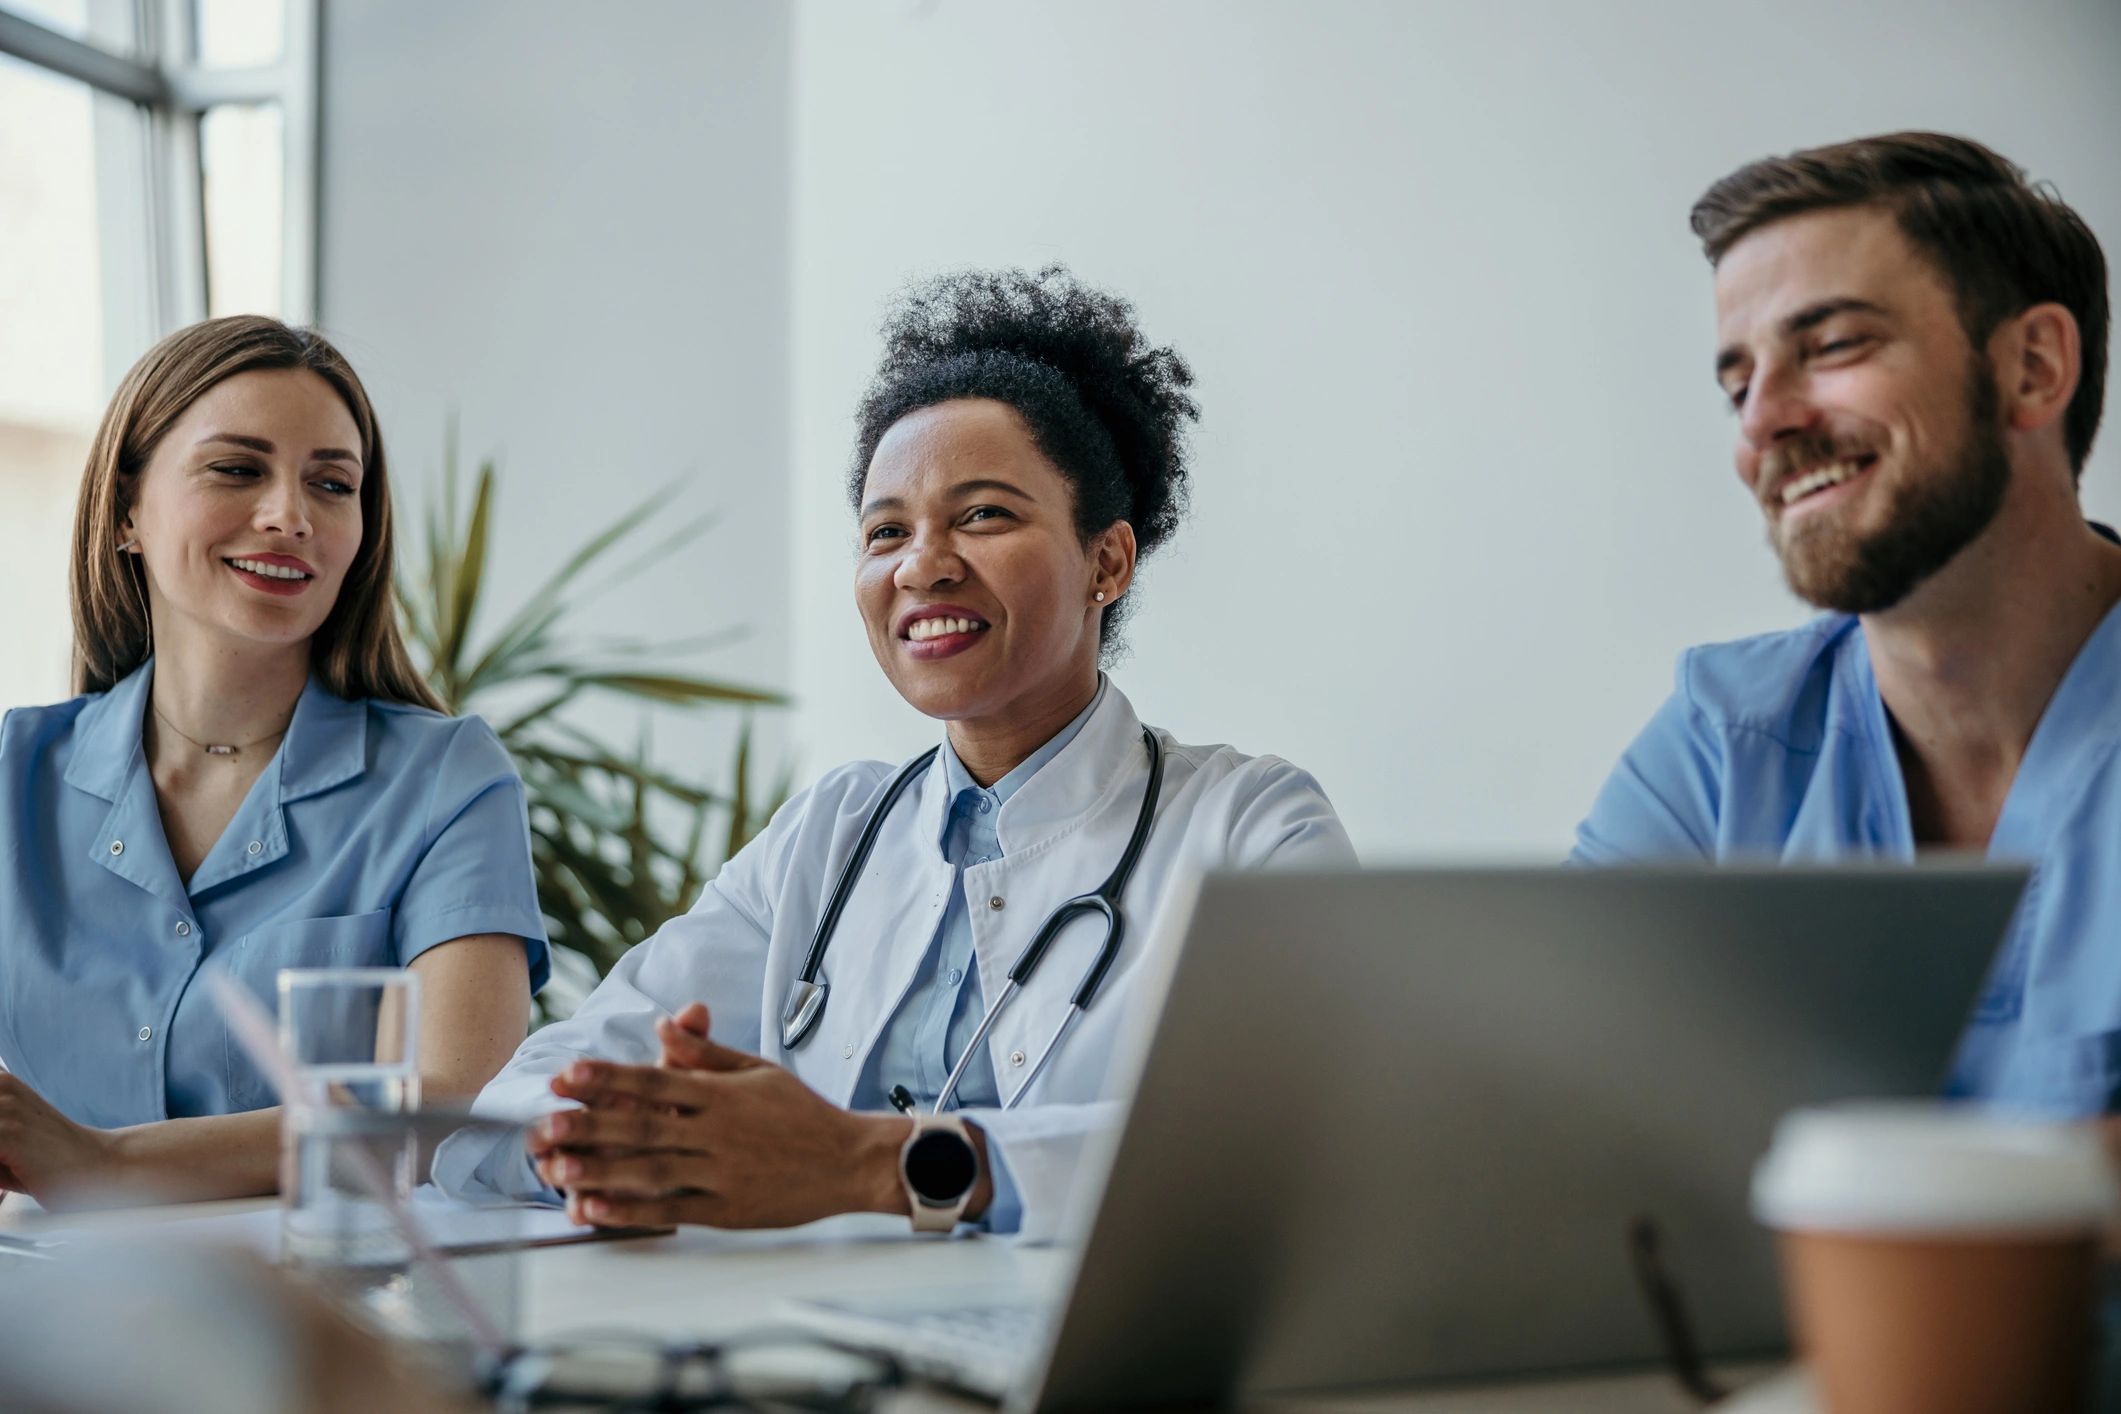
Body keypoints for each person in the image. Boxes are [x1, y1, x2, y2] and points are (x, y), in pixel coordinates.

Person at [438, 266, 1355, 1241]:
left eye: (984, 514)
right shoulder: (834, 835)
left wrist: (872, 1164)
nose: (922, 564)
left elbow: (1305, 1140)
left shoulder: (1252, 825)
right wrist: (604, 1153)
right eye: (886, 530)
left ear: (1108, 560)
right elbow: (521, 1096)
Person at [1574, 133, 2117, 1114]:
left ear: (2033, 367)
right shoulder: (1718, 756)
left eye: (1831, 346)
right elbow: (1554, 1125)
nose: (1762, 422)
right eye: (1739, 384)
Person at [0, 316, 549, 1206]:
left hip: (326, 1320)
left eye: (332, 483)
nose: (289, 515)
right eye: (237, 468)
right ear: (128, 509)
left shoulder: (447, 780)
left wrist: (101, 1162)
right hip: (50, 1315)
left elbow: (443, 1107)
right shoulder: (12, 772)